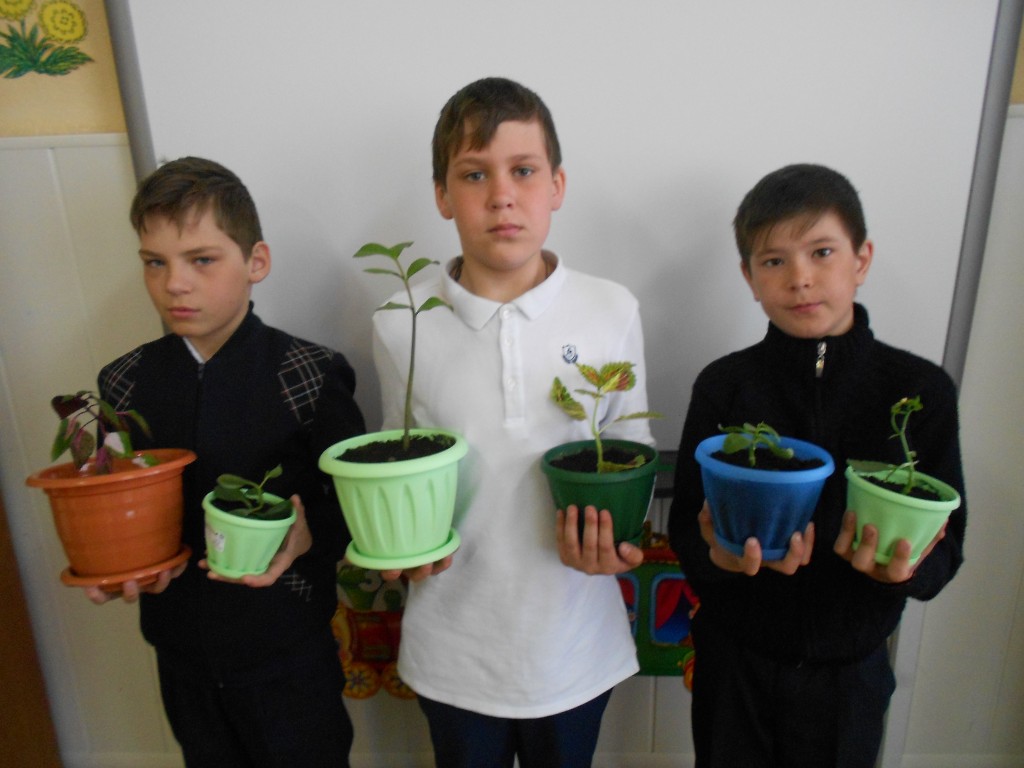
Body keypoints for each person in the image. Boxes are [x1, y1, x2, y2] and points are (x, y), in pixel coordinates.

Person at [371, 77, 654, 767]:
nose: (502, 196)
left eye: (523, 171)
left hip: (575, 645)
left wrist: (620, 540)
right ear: (442, 195)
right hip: (453, 650)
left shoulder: (610, 309)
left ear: (557, 185)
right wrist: (397, 548)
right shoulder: (400, 322)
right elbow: (396, 467)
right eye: (475, 175)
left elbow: (633, 451)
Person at [667, 163, 967, 768]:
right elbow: (686, 532)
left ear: (861, 259)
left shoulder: (919, 390)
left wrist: (903, 573)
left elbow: (947, 546)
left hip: (849, 674)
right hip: (736, 663)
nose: (800, 278)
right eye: (774, 261)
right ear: (750, 278)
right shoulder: (725, 386)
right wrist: (721, 558)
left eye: (822, 252)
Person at [90, 156, 365, 767]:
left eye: (202, 260)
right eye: (155, 263)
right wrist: (116, 564)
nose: (175, 284)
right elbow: (114, 501)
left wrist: (309, 535)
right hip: (181, 656)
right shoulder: (124, 383)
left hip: (288, 656)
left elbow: (357, 510)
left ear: (255, 262)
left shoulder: (309, 375)